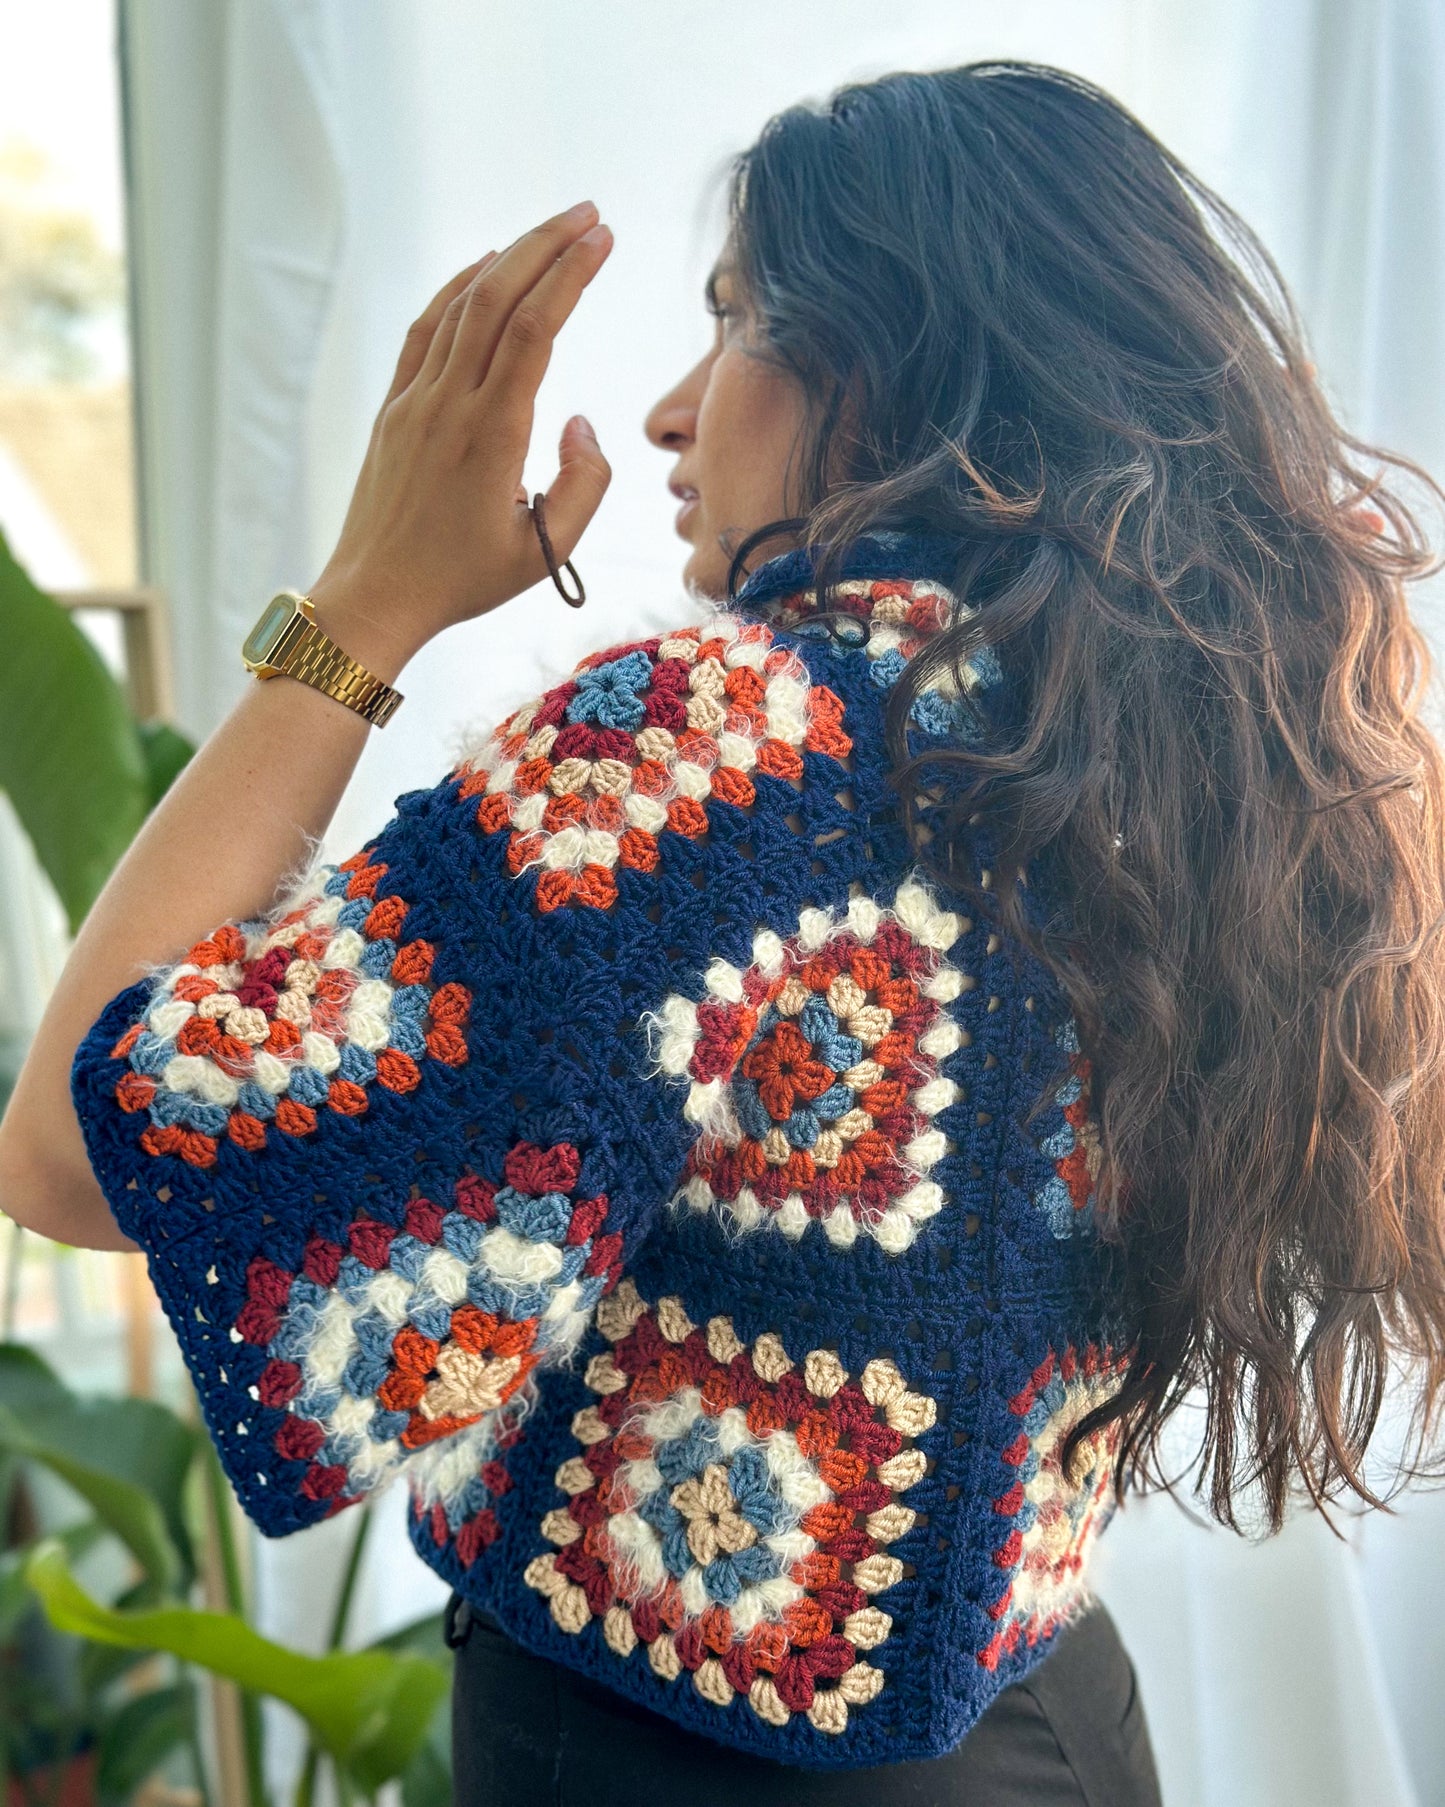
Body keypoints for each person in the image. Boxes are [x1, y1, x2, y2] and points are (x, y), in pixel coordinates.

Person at [3, 57, 1444, 1806]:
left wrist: (368, 600)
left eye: (739, 318)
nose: (673, 411)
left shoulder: (723, 752)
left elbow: (74, 1149)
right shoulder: (1207, 762)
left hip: (674, 1754)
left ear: (895, 358)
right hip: (1054, 1721)